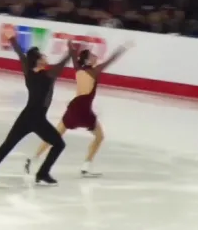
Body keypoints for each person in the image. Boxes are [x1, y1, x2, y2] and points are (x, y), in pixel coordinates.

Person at [0, 27, 76, 187]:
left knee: (6, 146)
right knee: (59, 144)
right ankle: (42, 173)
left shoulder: (29, 72)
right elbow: (61, 64)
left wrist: (12, 39)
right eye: (43, 56)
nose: (46, 57)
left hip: (26, 117)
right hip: (38, 119)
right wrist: (70, 52)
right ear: (38, 60)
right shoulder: (48, 75)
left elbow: (21, 54)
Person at [26, 42, 133, 177]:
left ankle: (33, 158)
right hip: (84, 110)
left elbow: (74, 57)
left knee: (55, 136)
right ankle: (85, 166)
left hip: (73, 108)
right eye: (93, 55)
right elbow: (111, 60)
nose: (96, 56)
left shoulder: (78, 69)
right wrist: (123, 48)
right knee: (99, 137)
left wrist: (71, 48)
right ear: (88, 60)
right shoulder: (94, 71)